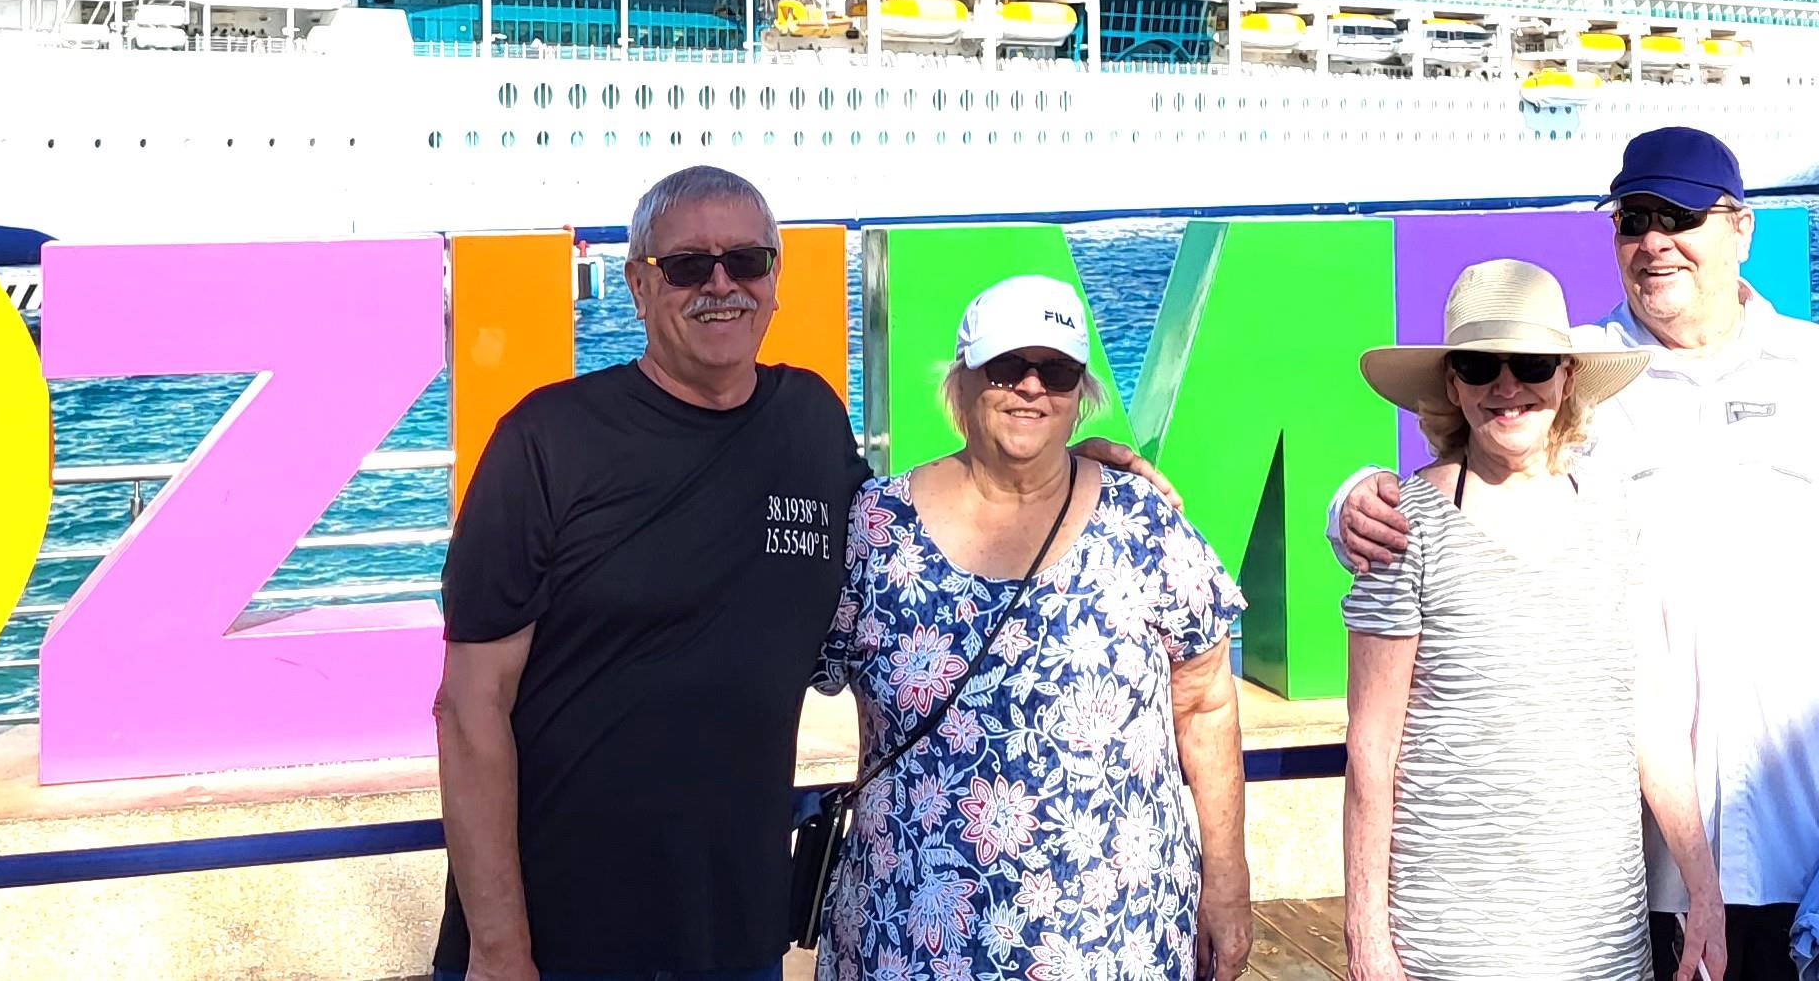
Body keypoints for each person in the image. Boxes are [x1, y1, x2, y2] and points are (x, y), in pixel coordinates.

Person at [431, 166, 1163, 981]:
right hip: (561, 928)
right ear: (638, 285)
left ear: (775, 280)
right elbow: (469, 709)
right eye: (686, 266)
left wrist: (1061, 466)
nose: (720, 284)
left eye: (745, 261)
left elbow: (917, 525)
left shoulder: (807, 419)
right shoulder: (548, 440)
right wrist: (499, 949)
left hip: (738, 923)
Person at [1336, 127, 1819, 981]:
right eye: (1632, 220)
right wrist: (1354, 499)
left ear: (1740, 228)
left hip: (1817, 829)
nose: (1653, 240)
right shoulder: (1572, 383)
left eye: (1678, 216)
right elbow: (1469, 496)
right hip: (1634, 874)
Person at [815, 275, 1254, 978]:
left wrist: (1228, 882)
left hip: (1119, 932)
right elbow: (788, 661)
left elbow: (1203, 702)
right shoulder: (875, 527)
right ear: (960, 382)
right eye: (1005, 366)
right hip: (911, 932)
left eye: (1055, 371)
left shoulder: (1140, 519)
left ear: (1081, 392)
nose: (1030, 387)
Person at [1340, 259, 1722, 981]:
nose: (1506, 386)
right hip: (1446, 938)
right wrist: (1366, 934)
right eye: (1481, 366)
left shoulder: (1615, 516)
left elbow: (1648, 720)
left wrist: (1703, 889)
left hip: (1600, 937)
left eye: (1532, 363)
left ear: (1566, 378)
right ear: (1452, 385)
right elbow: (1370, 747)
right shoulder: (1400, 531)